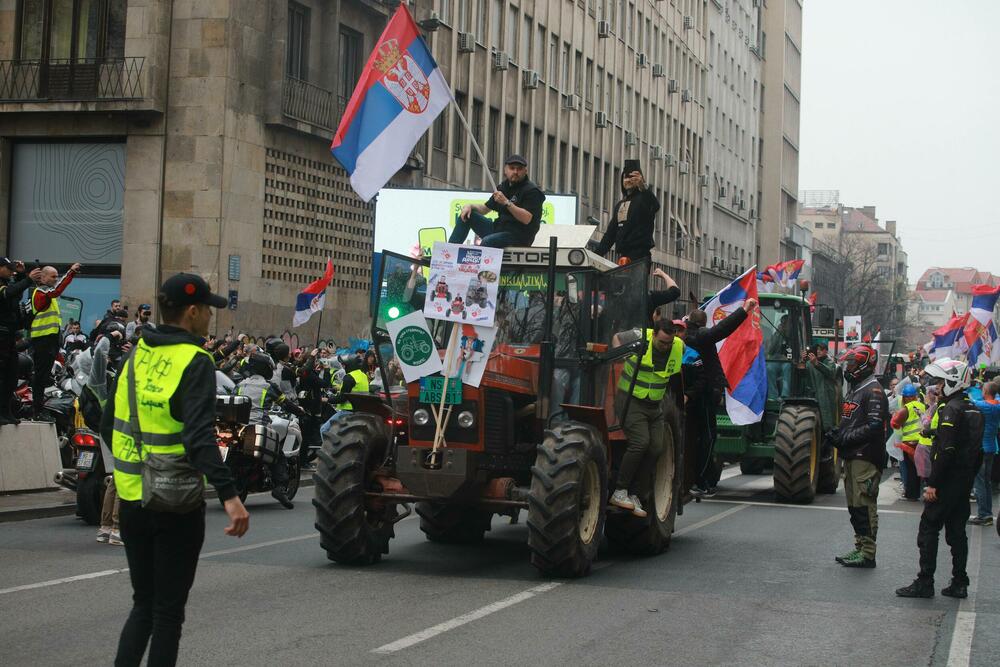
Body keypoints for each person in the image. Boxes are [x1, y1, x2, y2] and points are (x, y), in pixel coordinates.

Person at [100, 272, 249, 666]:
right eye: (208, 311)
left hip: (133, 500)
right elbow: (201, 438)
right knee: (167, 613)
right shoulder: (196, 361)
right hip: (176, 502)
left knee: (143, 605)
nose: (210, 320)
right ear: (194, 312)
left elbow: (106, 422)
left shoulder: (137, 354)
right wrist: (231, 497)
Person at [897, 359, 984, 599]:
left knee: (928, 528)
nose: (937, 386)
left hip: (946, 479)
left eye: (940, 381)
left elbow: (946, 450)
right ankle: (960, 581)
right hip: (964, 480)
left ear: (953, 382)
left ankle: (925, 582)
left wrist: (933, 483)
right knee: (957, 531)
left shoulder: (951, 409)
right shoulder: (973, 408)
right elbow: (978, 452)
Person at [609, 319, 688, 517]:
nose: (665, 346)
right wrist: (621, 356)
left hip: (655, 404)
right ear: (654, 335)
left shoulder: (679, 346)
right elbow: (616, 338)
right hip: (631, 399)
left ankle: (635, 493)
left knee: (656, 447)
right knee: (640, 443)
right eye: (662, 342)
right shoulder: (640, 337)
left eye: (669, 343)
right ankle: (620, 490)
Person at [683, 297, 758, 496]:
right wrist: (744, 310)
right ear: (703, 324)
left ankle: (692, 479)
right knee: (707, 438)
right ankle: (700, 480)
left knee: (690, 437)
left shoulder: (681, 336)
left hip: (687, 395)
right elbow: (724, 328)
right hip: (703, 395)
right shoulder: (701, 336)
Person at [830, 344, 889, 569]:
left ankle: (868, 553)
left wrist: (846, 438)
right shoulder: (855, 388)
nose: (849, 367)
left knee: (865, 504)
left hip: (866, 456)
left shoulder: (873, 390)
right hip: (852, 455)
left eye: (853, 363)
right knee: (854, 506)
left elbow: (874, 426)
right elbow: (851, 419)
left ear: (865, 364)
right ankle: (859, 546)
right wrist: (837, 433)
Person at [235, 352, 303, 509]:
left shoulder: (240, 385)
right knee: (278, 454)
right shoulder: (268, 386)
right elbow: (285, 403)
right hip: (260, 427)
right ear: (265, 368)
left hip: (240, 428)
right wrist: (299, 411)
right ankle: (279, 488)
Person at [448, 154, 546, 248]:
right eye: (512, 168)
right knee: (467, 215)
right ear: (505, 170)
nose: (515, 172)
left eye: (519, 169)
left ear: (526, 171)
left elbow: (526, 219)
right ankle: (448, 254)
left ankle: (481, 264)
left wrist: (507, 203)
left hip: (519, 236)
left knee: (488, 241)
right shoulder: (503, 187)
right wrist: (470, 206)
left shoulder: (532, 191)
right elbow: (485, 209)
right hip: (498, 229)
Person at [30, 263, 81, 417]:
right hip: (42, 341)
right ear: (43, 277)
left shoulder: (48, 295)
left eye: (57, 276)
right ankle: (37, 410)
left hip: (50, 342)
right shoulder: (41, 293)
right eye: (53, 276)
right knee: (41, 377)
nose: (56, 279)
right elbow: (58, 290)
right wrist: (70, 273)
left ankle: (40, 408)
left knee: (46, 376)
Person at [0, 258, 42, 424]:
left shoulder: (8, 283)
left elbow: (14, 296)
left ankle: (7, 412)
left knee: (11, 377)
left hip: (9, 337)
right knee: (2, 377)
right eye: (9, 268)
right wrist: (27, 279)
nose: (12, 271)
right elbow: (7, 294)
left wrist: (21, 276)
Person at [593, 165, 660, 265]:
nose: (628, 180)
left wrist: (643, 186)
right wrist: (595, 256)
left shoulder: (644, 200)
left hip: (640, 257)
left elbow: (654, 205)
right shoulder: (620, 204)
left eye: (631, 177)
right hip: (623, 256)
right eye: (625, 177)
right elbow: (610, 234)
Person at [890, 384, 931, 500]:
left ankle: (912, 494)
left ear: (905, 397)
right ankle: (922, 490)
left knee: (911, 469)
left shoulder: (905, 408)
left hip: (909, 443)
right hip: (922, 441)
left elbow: (895, 424)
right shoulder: (923, 406)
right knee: (921, 467)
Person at [970, 381, 1000, 526]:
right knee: (986, 482)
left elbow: (970, 400)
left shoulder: (983, 406)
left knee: (980, 483)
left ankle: (984, 514)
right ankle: (987, 513)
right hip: (992, 447)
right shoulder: (997, 404)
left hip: (981, 448)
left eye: (983, 389)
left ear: (986, 392)